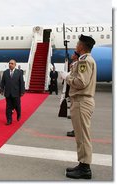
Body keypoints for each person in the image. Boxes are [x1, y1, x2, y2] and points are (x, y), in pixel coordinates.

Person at [60, 34, 96, 179]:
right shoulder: (83, 61)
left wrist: (66, 77)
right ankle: (82, 164)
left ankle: (85, 168)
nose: (76, 45)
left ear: (82, 46)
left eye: (77, 44)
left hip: (82, 101)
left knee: (82, 136)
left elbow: (81, 83)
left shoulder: (84, 61)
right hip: (81, 101)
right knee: (81, 135)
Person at [0, 59, 25, 125]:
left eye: (12, 63)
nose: (10, 65)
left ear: (15, 65)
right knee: (8, 107)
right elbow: (3, 82)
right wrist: (1, 89)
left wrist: (22, 91)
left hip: (16, 93)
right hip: (8, 93)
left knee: (17, 105)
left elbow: (21, 82)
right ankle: (9, 120)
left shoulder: (19, 72)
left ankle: (19, 114)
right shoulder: (5, 72)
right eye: (9, 63)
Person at [66, 51, 80, 137]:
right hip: (73, 92)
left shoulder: (78, 64)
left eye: (73, 54)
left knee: (77, 115)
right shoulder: (74, 64)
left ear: (76, 56)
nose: (71, 55)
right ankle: (75, 130)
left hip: (77, 93)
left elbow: (79, 81)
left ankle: (76, 131)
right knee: (74, 114)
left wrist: (67, 77)